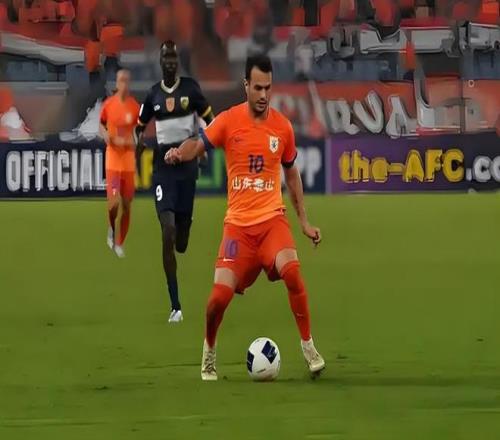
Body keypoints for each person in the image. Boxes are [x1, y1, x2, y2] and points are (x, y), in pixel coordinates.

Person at [165, 54, 325, 381]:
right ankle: (209, 352)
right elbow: (199, 144)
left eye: (268, 88)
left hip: (272, 222)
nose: (264, 95)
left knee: (293, 273)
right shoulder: (229, 121)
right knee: (217, 300)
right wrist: (180, 153)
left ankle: (308, 346)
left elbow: (291, 174)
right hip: (237, 228)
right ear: (246, 86)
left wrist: (304, 222)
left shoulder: (283, 127)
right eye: (258, 88)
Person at [134, 40, 214, 323]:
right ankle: (175, 305)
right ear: (160, 62)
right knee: (167, 230)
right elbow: (139, 127)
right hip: (162, 171)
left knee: (181, 243)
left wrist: (202, 147)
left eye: (173, 58)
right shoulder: (152, 95)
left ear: (177, 62)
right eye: (166, 58)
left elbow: (211, 121)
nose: (170, 62)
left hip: (187, 169)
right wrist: (138, 143)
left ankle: (186, 224)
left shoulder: (191, 89)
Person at [100, 69, 140, 258]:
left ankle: (119, 243)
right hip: (113, 161)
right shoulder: (108, 105)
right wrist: (106, 135)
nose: (123, 83)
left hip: (128, 162)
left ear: (128, 83)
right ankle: (111, 227)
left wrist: (134, 141)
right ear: (116, 83)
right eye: (120, 80)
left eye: (126, 80)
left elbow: (139, 132)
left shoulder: (134, 107)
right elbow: (101, 125)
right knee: (113, 204)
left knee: (127, 204)